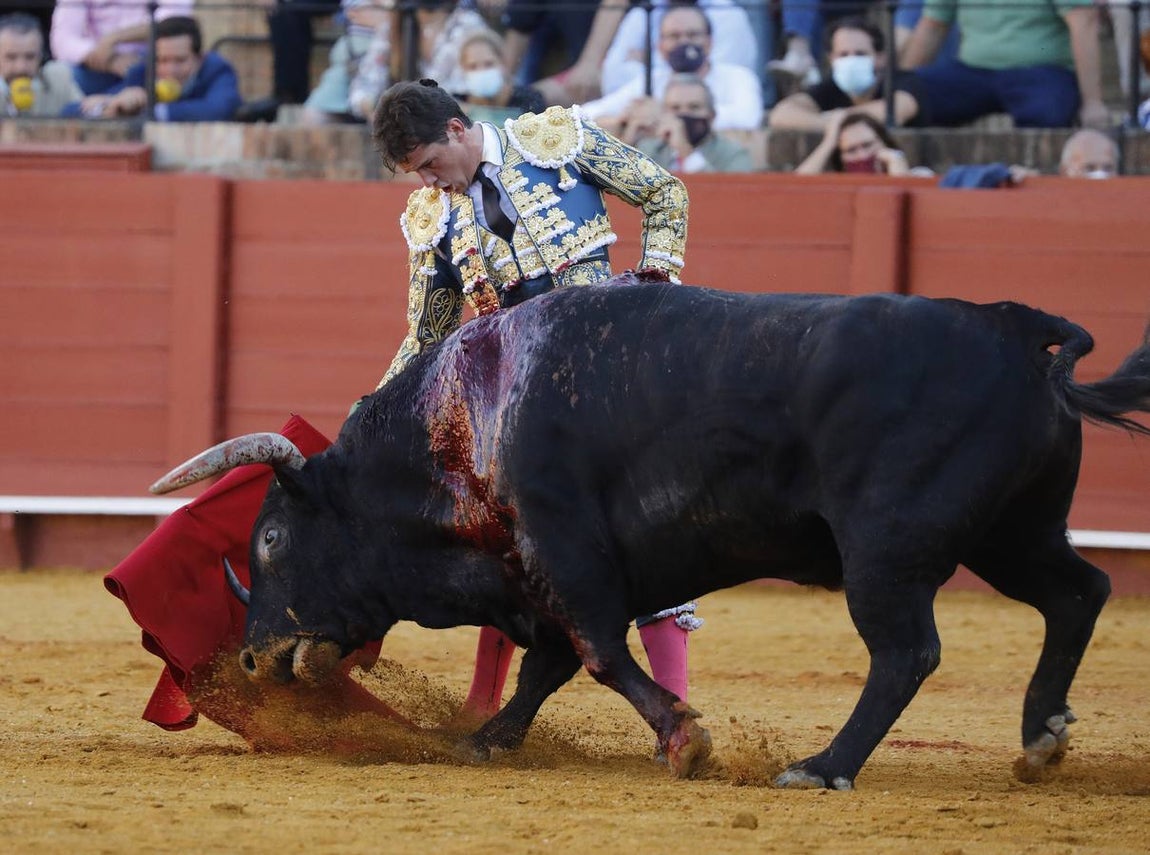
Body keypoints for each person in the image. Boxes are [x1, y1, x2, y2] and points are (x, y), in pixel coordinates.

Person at [372, 79, 699, 716]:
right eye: (416, 175)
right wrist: (377, 410)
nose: (430, 185)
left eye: (433, 165)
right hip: (521, 406)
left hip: (612, 379)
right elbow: (428, 336)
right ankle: (480, 706)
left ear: (458, 130)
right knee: (509, 545)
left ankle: (677, 708)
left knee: (650, 530)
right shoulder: (430, 218)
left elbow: (664, 192)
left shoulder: (556, 141)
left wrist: (655, 287)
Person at [900, 0, 1108, 129]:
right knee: (904, 96)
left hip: (1042, 71)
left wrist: (1092, 102)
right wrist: (902, 84)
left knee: (1048, 112)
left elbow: (1083, 22)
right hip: (972, 72)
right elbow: (932, 27)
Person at [581, 4, 763, 145]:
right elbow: (589, 112)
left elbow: (748, 118)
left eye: (692, 35)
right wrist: (625, 118)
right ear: (660, 47)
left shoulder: (738, 76)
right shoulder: (652, 79)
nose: (684, 42)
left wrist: (664, 116)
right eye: (674, 36)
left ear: (709, 42)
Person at [336, 0, 489, 124]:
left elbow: (466, 94)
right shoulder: (392, 27)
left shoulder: (469, 24)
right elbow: (363, 87)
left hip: (451, 128)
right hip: (400, 130)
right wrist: (371, 108)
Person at [65, 16, 241, 121]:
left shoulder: (217, 70)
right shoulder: (143, 72)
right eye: (162, 61)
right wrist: (108, 105)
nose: (170, 70)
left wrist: (148, 111)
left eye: (180, 61)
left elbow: (219, 109)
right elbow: (68, 112)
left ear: (200, 58)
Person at [769, 16, 928, 131]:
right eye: (843, 55)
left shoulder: (903, 81)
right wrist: (829, 123)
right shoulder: (831, 87)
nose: (851, 60)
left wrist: (830, 120)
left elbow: (896, 111)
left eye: (860, 54)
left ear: (880, 58)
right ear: (831, 59)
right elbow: (780, 115)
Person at [49, 0, 192, 95]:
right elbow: (62, 40)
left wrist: (115, 38)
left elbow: (176, 20)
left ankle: (100, 109)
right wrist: (110, 61)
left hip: (149, 62)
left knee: (154, 69)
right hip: (96, 65)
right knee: (55, 73)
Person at [634, 73, 754, 173]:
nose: (684, 115)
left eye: (694, 107)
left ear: (711, 116)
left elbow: (726, 196)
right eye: (675, 108)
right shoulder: (649, 150)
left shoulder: (733, 154)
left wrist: (685, 151)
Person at [454, 29, 544, 125]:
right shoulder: (453, 104)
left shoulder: (529, 100)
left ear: (503, 63)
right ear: (463, 70)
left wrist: (472, 112)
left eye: (489, 64)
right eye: (472, 66)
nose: (481, 71)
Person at [0, 12, 80, 117]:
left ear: (41, 57)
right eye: (11, 57)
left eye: (30, 57)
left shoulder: (59, 79)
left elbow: (85, 111)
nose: (21, 67)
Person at [796, 111, 912, 175]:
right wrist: (829, 142)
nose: (863, 155)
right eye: (851, 150)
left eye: (868, 145)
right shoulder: (836, 188)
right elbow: (794, 192)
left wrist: (896, 161)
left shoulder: (919, 176)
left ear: (883, 141)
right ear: (841, 159)